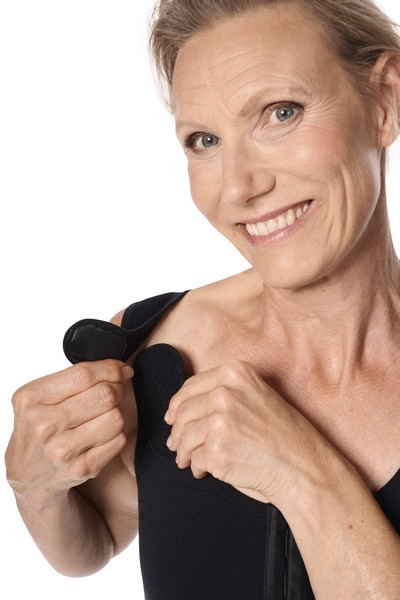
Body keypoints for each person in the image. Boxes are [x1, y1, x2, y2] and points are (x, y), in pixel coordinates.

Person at [5, 0, 400, 597]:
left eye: (280, 113)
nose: (239, 186)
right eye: (204, 140)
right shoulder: (153, 344)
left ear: (385, 100)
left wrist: (300, 473)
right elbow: (100, 537)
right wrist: (35, 488)